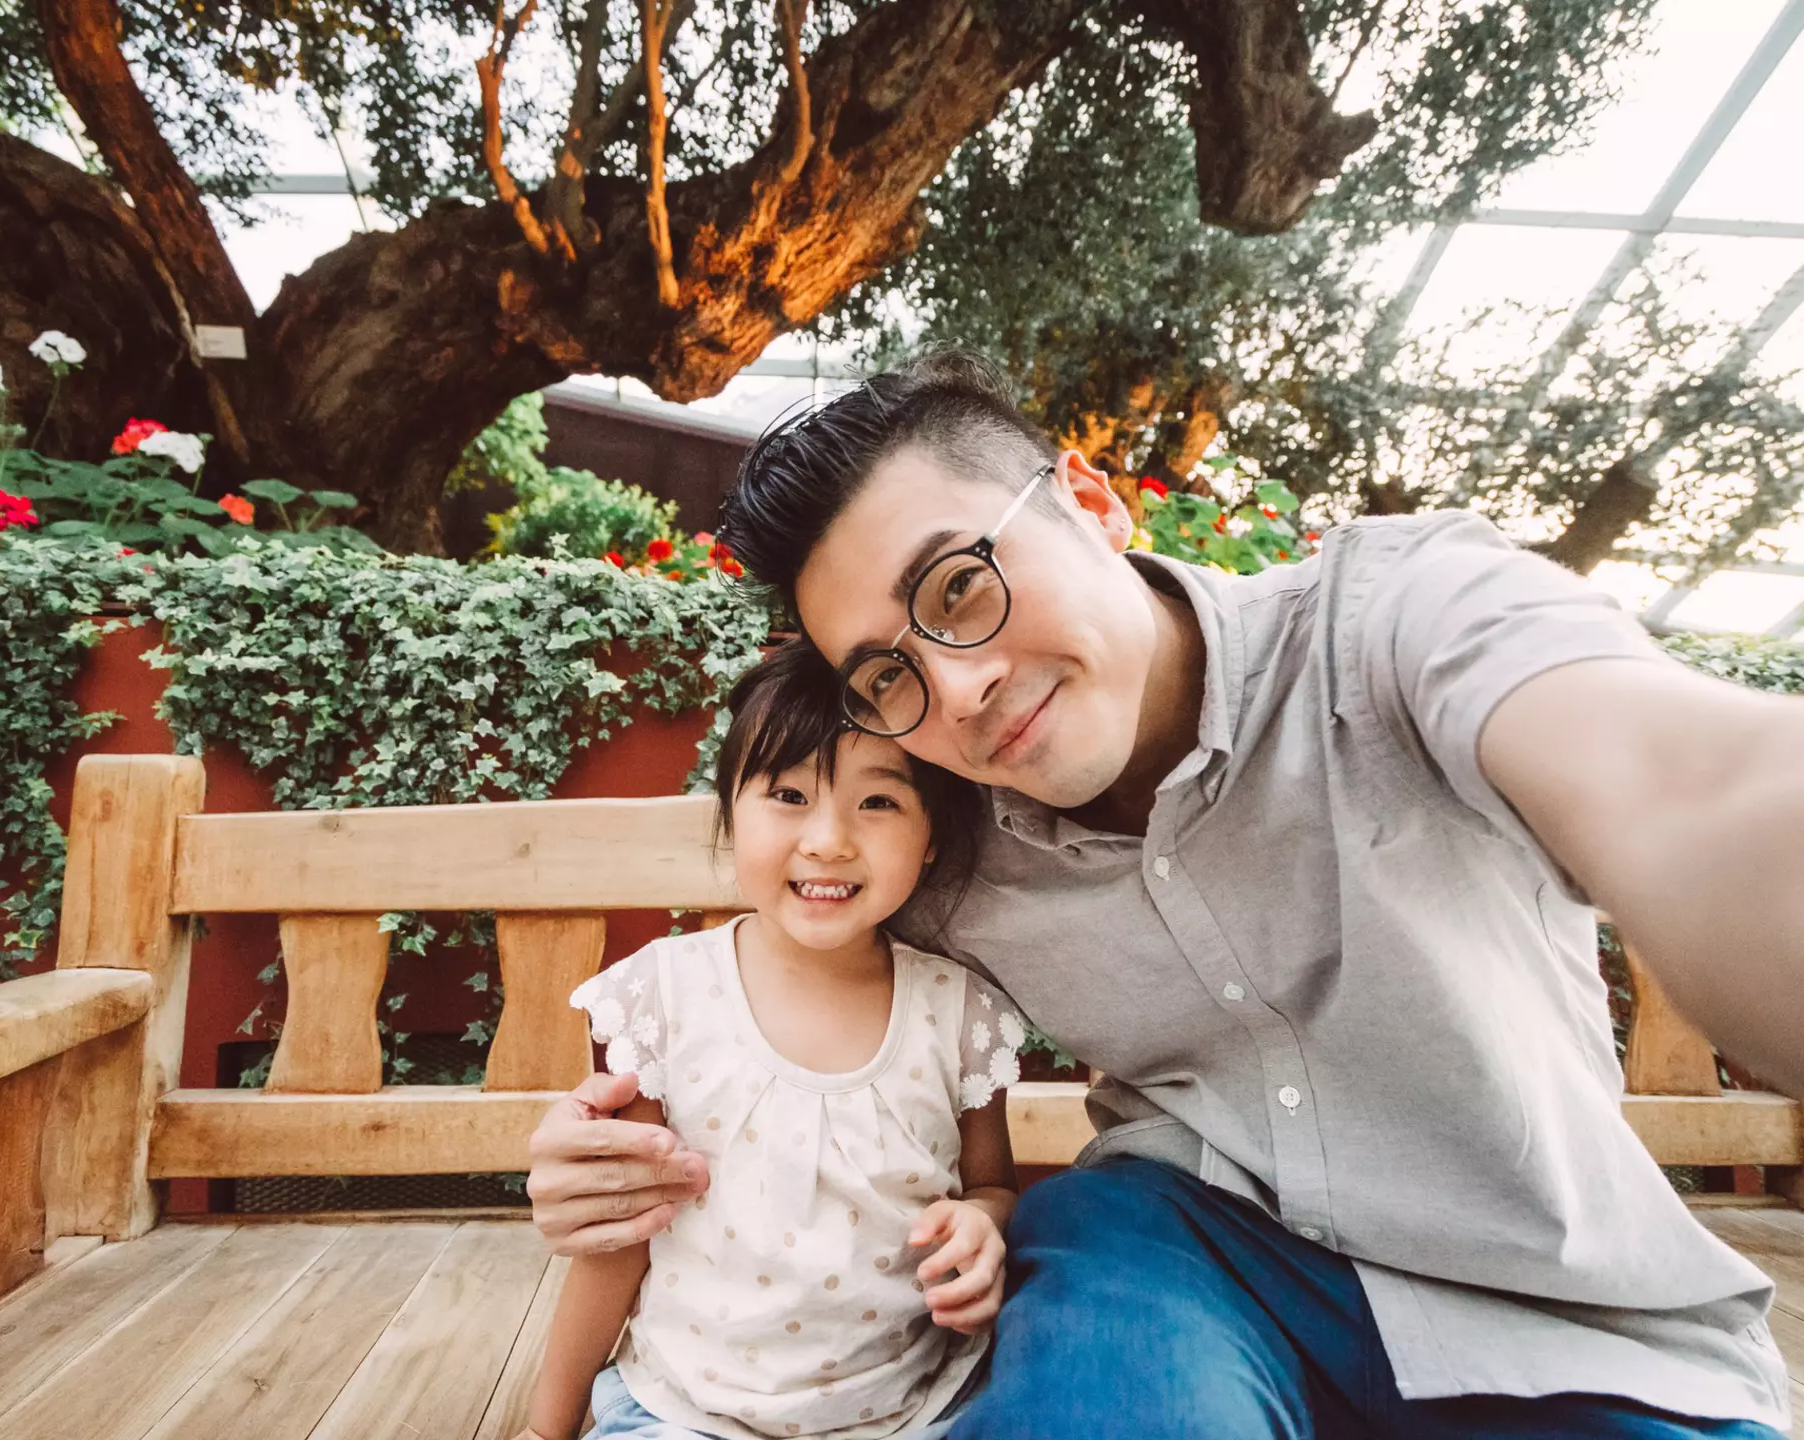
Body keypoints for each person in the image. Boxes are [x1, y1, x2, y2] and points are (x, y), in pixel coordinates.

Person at [528, 354, 1804, 1438]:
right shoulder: (934, 833)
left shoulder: (1390, 625)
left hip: (1564, 1317)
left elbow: (1675, 778)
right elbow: (771, 1009)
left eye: (958, 587)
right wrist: (594, 1159)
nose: (956, 691)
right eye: (885, 674)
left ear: (1088, 502)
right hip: (1179, 1258)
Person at [519, 638, 1026, 1440]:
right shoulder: (668, 997)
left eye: (878, 802)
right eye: (788, 794)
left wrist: (984, 1224)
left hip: (915, 1411)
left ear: (931, 837)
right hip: (688, 1412)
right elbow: (616, 1235)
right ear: (729, 812)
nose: (828, 838)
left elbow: (991, 1182)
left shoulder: (954, 1013)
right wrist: (546, 1428)